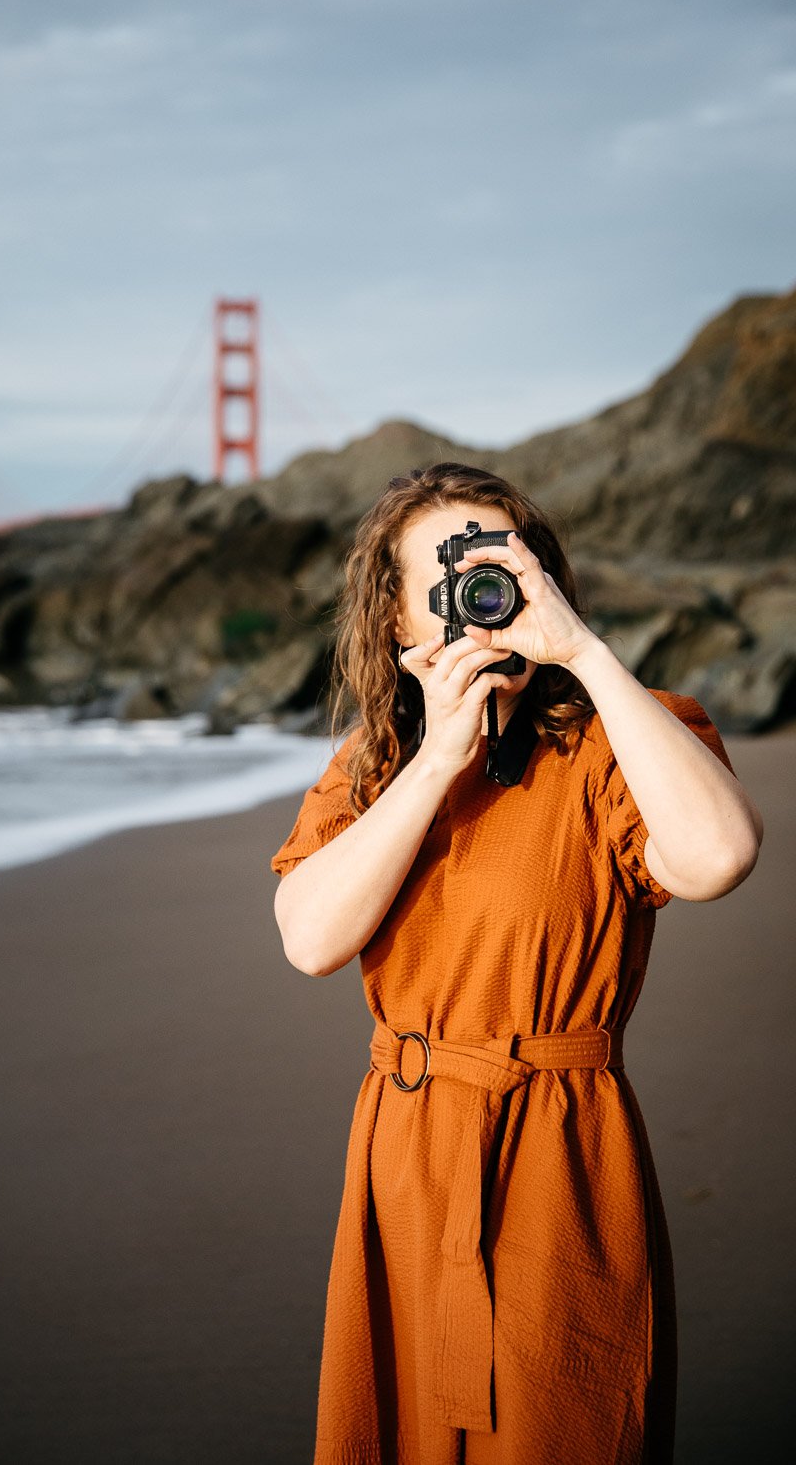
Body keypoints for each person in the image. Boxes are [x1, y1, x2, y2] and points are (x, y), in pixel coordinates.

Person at [269, 463, 763, 1465]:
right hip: (405, 1161)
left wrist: (580, 652)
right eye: (448, 579)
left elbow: (717, 856)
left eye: (503, 563)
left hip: (558, 1153)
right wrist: (437, 760)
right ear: (399, 617)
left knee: (560, 1428)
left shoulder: (613, 741)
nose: (481, 601)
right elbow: (310, 937)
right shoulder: (373, 764)